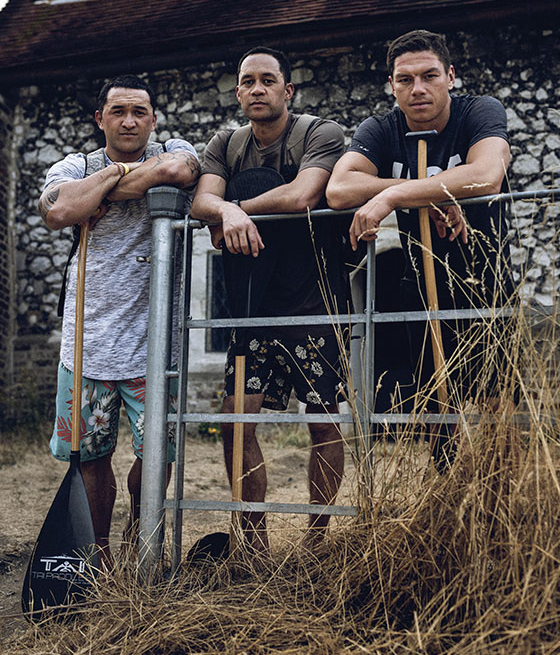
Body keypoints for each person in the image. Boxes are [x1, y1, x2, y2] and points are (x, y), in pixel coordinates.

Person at [327, 31, 514, 462]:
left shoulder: (479, 112)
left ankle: (501, 502)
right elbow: (339, 189)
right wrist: (429, 192)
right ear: (391, 85)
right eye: (405, 80)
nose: (418, 89)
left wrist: (391, 196)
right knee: (434, 404)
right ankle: (443, 503)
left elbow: (486, 175)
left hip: (483, 277)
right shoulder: (382, 128)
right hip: (420, 280)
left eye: (429, 76)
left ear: (450, 76)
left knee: (498, 403)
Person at [191, 47, 348, 551]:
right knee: (236, 418)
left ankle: (317, 539)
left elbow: (304, 195)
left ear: (287, 90)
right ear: (238, 92)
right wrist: (224, 212)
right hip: (252, 305)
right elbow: (200, 200)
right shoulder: (226, 144)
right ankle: (252, 542)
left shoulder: (319, 134)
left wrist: (234, 210)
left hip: (313, 303)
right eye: (247, 82)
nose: (257, 89)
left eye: (267, 80)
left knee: (323, 419)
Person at [39, 74, 200, 562]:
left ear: (153, 118)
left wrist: (99, 194)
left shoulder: (173, 146)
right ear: (100, 118)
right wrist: (113, 176)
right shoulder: (77, 164)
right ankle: (98, 555)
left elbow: (178, 171)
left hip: (156, 343)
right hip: (86, 341)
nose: (130, 121)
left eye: (140, 112)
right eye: (118, 112)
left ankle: (141, 529)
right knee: (89, 457)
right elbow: (60, 208)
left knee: (157, 456)